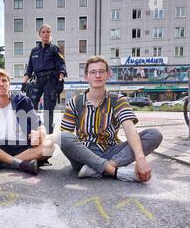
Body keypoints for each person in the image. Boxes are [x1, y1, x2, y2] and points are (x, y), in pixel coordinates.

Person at [59, 55, 163, 183]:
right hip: (84, 156)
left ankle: (99, 169)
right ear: (86, 77)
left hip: (112, 152)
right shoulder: (75, 102)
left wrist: (140, 158)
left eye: (102, 71)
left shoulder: (118, 100)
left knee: (154, 134)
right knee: (63, 137)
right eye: (93, 72)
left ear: (108, 75)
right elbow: (65, 134)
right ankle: (113, 171)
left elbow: (129, 128)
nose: (98, 75)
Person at [22, 24, 67, 134]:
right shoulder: (34, 51)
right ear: (40, 34)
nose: (46, 34)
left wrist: (60, 81)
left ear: (50, 34)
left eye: (48, 32)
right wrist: (24, 83)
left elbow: (61, 66)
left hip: (50, 82)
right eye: (43, 32)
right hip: (37, 81)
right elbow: (29, 69)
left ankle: (48, 136)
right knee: (31, 107)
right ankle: (34, 132)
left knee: (48, 110)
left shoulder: (55, 49)